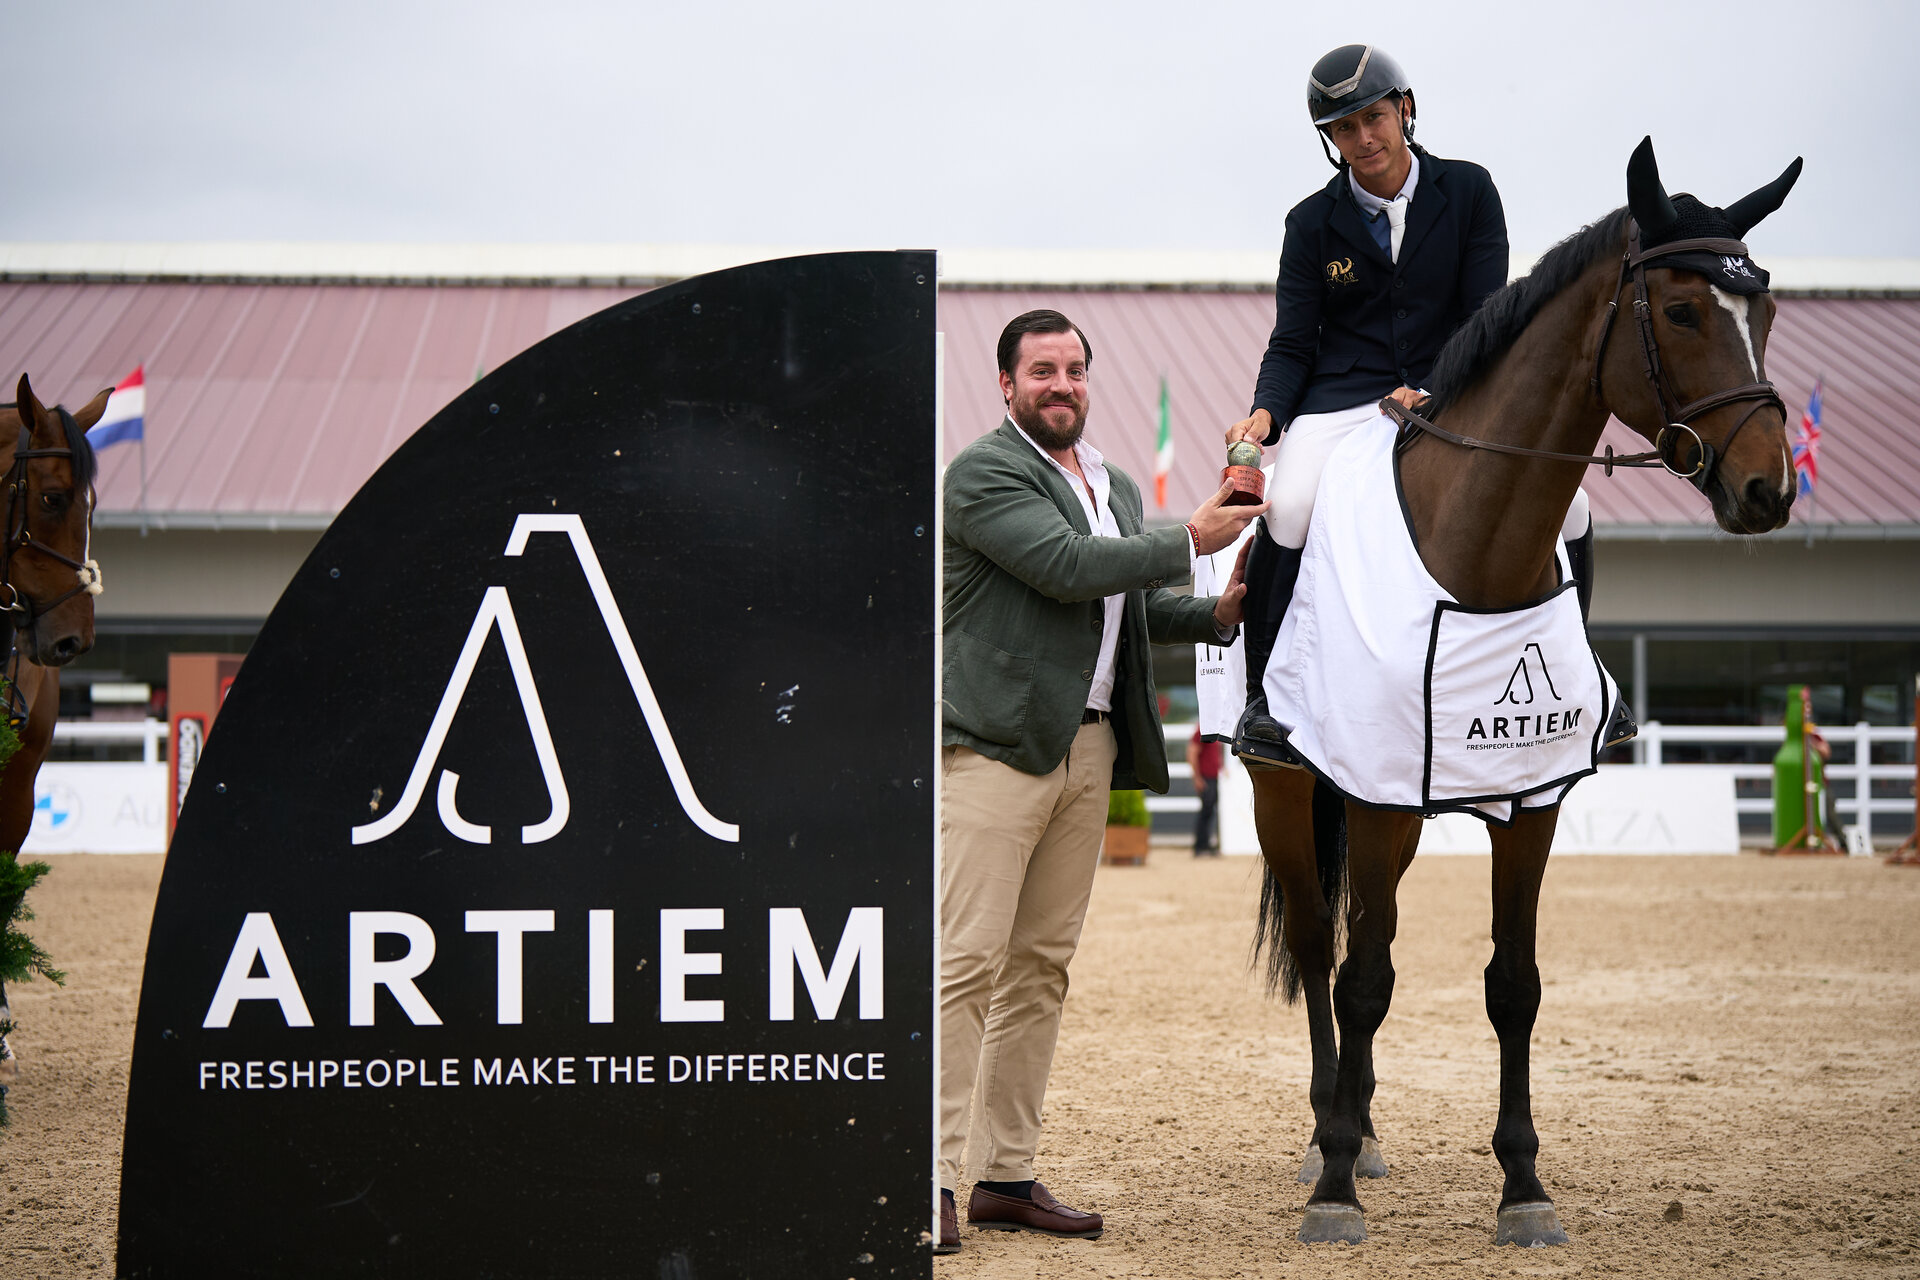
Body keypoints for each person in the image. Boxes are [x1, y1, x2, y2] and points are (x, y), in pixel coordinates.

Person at [937, 309, 1263, 1253]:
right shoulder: (984, 473)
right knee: (965, 965)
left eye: (1075, 370)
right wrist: (1191, 536)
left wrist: (1214, 612)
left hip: (1088, 752)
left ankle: (1002, 1175)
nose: (1062, 385)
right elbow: (1067, 569)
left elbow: (1127, 608)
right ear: (1007, 386)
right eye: (1042, 371)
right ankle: (925, 1178)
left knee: (1040, 968)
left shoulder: (1114, 482)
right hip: (994, 747)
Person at [1223, 44, 1609, 766]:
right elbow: (1292, 344)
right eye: (1344, 129)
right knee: (1292, 506)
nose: (1364, 139)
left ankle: (1578, 674)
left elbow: (1485, 315)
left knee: (1579, 508)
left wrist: (1436, 387)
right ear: (1330, 142)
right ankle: (1265, 701)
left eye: (1373, 117)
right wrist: (1265, 416)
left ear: (1404, 108)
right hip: (1344, 399)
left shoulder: (1468, 190)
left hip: (1456, 388)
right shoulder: (1310, 224)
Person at [1187, 728, 1222, 855]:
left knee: (1209, 810)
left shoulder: (1209, 729)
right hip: (1206, 777)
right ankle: (1200, 845)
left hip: (1212, 777)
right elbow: (1192, 752)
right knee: (1206, 810)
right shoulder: (1202, 729)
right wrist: (1197, 777)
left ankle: (1204, 843)